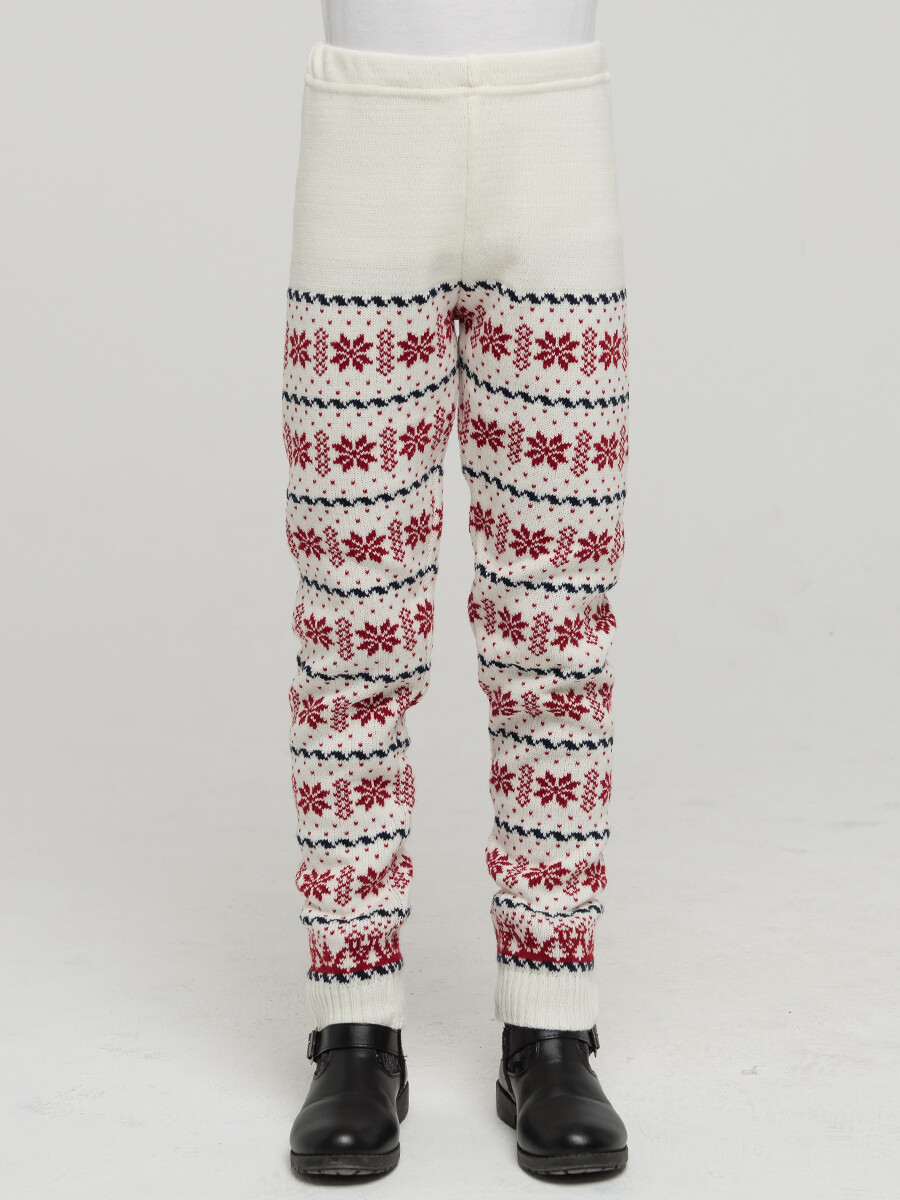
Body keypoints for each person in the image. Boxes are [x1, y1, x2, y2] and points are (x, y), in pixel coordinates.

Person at [282, 0, 630, 1177]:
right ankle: (355, 1030)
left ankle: (550, 1026)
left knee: (557, 634)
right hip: (368, 143)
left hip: (554, 135)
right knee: (353, 635)